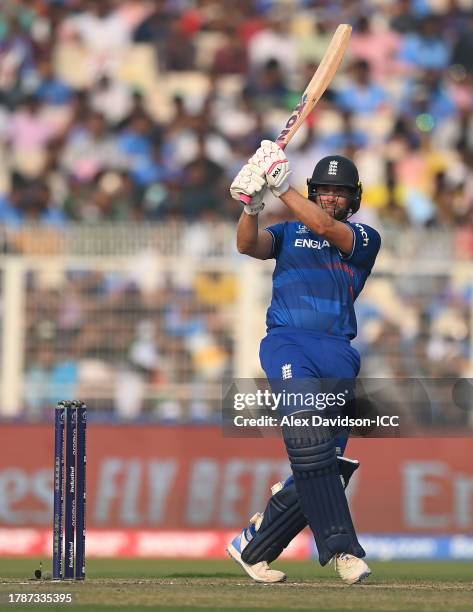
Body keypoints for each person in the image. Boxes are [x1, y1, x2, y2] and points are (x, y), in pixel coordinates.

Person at [227, 140, 381, 585]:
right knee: (311, 441)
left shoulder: (365, 238)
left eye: (341, 192)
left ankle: (253, 547)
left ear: (354, 198)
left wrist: (282, 187)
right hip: (288, 344)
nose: (332, 198)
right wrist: (252, 206)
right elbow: (247, 245)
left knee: (325, 461)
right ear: (315, 192)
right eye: (325, 190)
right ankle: (344, 552)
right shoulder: (289, 231)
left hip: (337, 352)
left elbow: (329, 230)